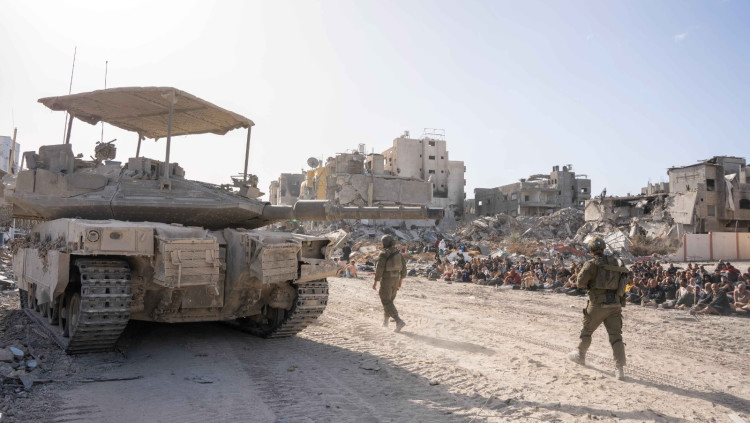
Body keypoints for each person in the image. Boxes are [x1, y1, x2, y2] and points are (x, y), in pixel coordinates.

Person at [568, 237, 629, 380]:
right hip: (615, 304)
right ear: (603, 248)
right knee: (616, 337)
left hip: (597, 305)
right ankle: (619, 369)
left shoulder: (591, 264)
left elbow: (580, 283)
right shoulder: (616, 262)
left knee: (586, 331)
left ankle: (581, 355)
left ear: (591, 251)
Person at [372, 235, 407, 332]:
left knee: (386, 301)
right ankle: (385, 322)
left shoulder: (383, 254)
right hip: (396, 279)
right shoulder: (398, 253)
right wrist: (400, 281)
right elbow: (404, 269)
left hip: (387, 280)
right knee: (389, 301)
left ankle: (398, 321)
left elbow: (379, 269)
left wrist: (375, 282)